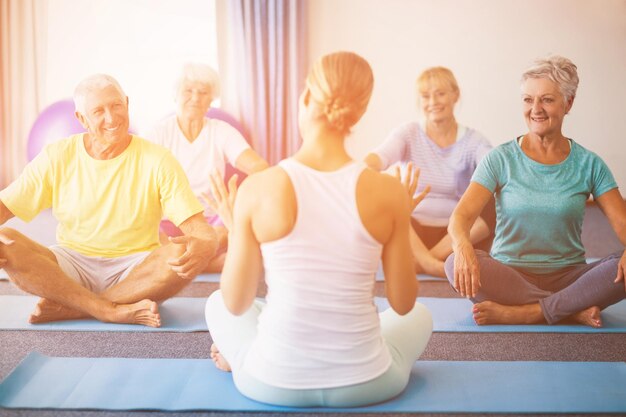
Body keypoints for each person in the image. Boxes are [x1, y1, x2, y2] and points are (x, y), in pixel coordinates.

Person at [205, 51, 433, 407]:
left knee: (217, 302)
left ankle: (240, 356)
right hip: (369, 383)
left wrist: (235, 230)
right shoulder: (388, 192)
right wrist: (400, 219)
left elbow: (236, 302)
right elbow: (403, 305)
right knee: (421, 316)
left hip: (272, 382)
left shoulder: (259, 187)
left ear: (307, 97)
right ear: (360, 112)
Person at [0, 74, 220, 327]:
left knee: (183, 249)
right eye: (98, 111)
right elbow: (5, 206)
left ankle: (78, 307)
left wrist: (205, 243)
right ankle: (106, 309)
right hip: (71, 264)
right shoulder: (57, 155)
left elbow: (198, 228)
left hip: (136, 270)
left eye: (116, 106)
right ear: (81, 119)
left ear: (127, 104)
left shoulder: (158, 159)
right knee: (7, 242)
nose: (111, 118)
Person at [445, 55, 626, 327]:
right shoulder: (500, 158)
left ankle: (528, 312)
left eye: (547, 100)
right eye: (528, 100)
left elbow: (622, 223)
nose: (536, 109)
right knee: (452, 263)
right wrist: (462, 246)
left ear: (569, 103)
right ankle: (569, 309)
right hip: (509, 276)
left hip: (570, 275)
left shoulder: (589, 164)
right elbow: (460, 218)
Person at [365, 67, 492, 277]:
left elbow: (495, 165)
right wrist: (365, 169)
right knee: (385, 190)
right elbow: (380, 157)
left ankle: (422, 262)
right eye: (426, 96)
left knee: (496, 200)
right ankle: (434, 266)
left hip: (455, 234)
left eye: (440, 94)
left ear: (455, 95)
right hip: (411, 231)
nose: (433, 102)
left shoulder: (474, 141)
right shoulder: (408, 133)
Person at [147, 63, 268, 270]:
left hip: (211, 224)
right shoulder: (158, 133)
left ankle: (184, 260)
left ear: (211, 99)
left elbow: (259, 166)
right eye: (188, 91)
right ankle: (209, 262)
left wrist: (245, 192)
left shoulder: (222, 132)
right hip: (168, 222)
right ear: (176, 94)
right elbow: (142, 179)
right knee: (150, 235)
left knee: (230, 226)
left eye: (203, 92)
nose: (195, 98)